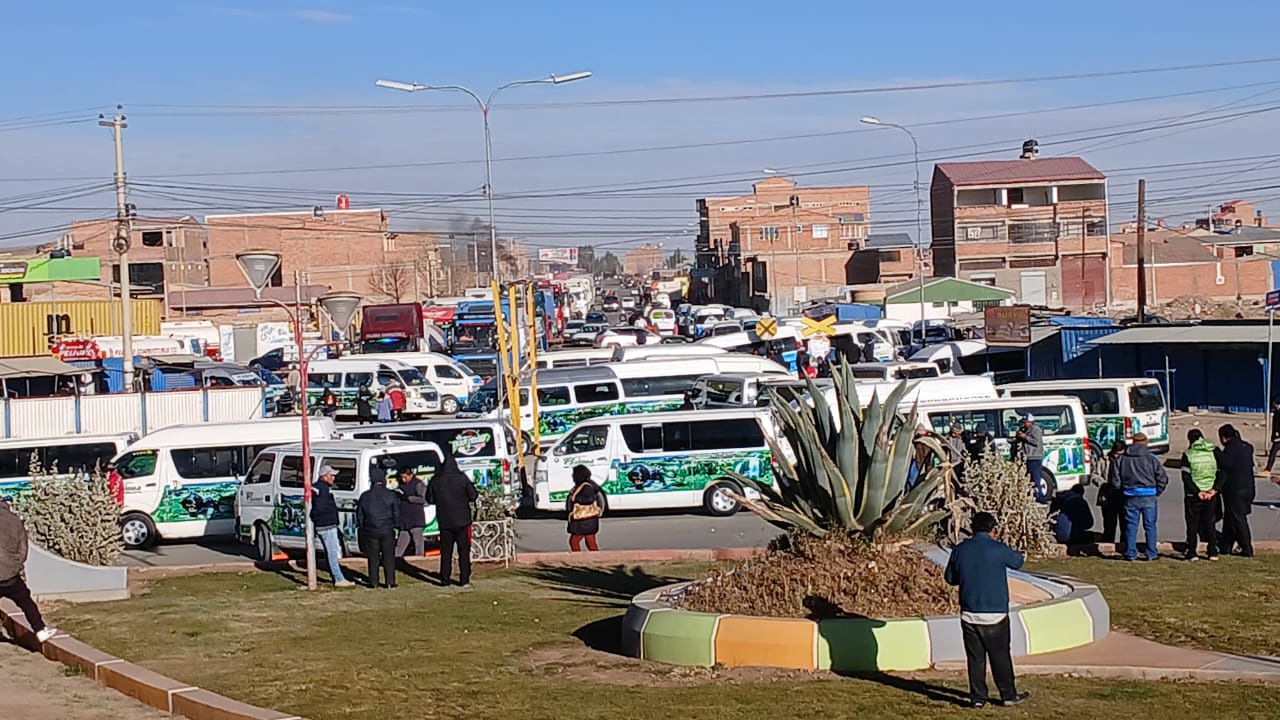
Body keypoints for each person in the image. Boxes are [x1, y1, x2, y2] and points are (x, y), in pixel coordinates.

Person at [944, 512, 1028, 709]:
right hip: (996, 614)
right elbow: (1018, 562)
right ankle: (1008, 694)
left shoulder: (960, 550)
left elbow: (950, 579)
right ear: (993, 530)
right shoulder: (998, 549)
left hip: (969, 613)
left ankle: (978, 698)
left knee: (975, 658)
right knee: (1000, 656)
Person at [0, 499, 57, 643]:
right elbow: (23, 549)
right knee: (26, 602)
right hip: (10, 574)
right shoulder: (15, 521)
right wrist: (16, 565)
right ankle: (40, 630)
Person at [1109, 432, 1168, 561]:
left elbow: (1115, 480)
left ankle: (1131, 553)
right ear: (1145, 442)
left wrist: (1122, 490)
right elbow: (1162, 477)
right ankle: (1151, 553)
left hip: (1130, 495)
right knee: (1150, 526)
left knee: (1131, 526)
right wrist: (1157, 491)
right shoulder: (1151, 458)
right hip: (1149, 495)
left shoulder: (1122, 459)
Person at [427, 455, 479, 586]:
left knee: (446, 552)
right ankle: (464, 579)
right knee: (464, 551)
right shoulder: (462, 478)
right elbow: (473, 495)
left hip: (445, 521)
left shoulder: (436, 479)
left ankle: (445, 579)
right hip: (463, 521)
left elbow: (429, 499)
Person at [355, 464, 400, 588]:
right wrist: (396, 525)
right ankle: (390, 582)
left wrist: (363, 526)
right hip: (387, 529)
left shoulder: (365, 496)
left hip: (370, 530)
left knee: (373, 557)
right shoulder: (391, 495)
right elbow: (396, 512)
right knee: (389, 557)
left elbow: (359, 514)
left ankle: (373, 582)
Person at [1216, 424, 1256, 557]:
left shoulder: (1231, 448)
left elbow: (1227, 463)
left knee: (1239, 519)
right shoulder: (1247, 447)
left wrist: (1216, 452)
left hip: (1236, 490)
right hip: (1249, 487)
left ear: (1223, 437)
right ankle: (1225, 545)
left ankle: (1246, 548)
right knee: (1230, 517)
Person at [311, 466, 354, 588]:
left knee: (331, 551)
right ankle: (338, 578)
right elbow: (320, 507)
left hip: (324, 524)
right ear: (325, 476)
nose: (334, 478)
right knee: (332, 552)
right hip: (327, 525)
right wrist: (319, 517)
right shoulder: (323, 489)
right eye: (332, 475)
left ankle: (336, 575)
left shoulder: (319, 487)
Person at [1180, 429, 1219, 561]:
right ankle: (1212, 551)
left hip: (1193, 495)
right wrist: (1214, 489)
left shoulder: (1188, 454)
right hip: (1210, 493)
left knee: (1192, 524)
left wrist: (1197, 492)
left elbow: (1186, 477)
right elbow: (1221, 472)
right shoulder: (1212, 452)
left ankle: (1192, 552)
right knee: (1210, 523)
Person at [1096, 440, 1129, 552]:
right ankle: (1107, 545)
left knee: (1125, 524)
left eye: (1119, 453)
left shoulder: (1127, 460)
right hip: (1107, 494)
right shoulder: (1104, 460)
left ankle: (1124, 545)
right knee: (1109, 524)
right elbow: (1095, 475)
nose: (1117, 456)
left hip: (1122, 494)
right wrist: (1103, 483)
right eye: (1115, 453)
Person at [394, 466, 428, 561]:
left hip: (416, 520)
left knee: (418, 544)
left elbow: (424, 499)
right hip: (404, 521)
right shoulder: (400, 485)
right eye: (402, 477)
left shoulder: (419, 484)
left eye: (405, 477)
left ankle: (419, 561)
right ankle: (395, 562)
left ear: (411, 475)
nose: (403, 479)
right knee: (400, 544)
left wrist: (409, 498)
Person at [566, 465, 602, 551]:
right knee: (590, 542)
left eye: (574, 474)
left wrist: (575, 499)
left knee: (574, 541)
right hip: (587, 521)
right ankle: (596, 560)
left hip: (584, 521)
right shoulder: (583, 485)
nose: (572, 476)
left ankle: (579, 559)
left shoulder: (586, 487)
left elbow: (589, 499)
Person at [1015, 414, 1048, 502]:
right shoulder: (1027, 430)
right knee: (1030, 479)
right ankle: (1033, 496)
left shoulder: (1036, 430)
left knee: (1036, 478)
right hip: (1029, 457)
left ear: (1030, 422)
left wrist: (1025, 437)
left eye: (1026, 422)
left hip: (1035, 457)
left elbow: (1036, 442)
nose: (1024, 424)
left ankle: (1040, 497)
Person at [1266, 397, 1280, 473]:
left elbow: (1277, 424)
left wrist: (1277, 433)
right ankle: (1268, 469)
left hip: (1278, 437)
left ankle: (1268, 469)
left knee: (1273, 452)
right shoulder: (1277, 411)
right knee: (1273, 452)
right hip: (1277, 436)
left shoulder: (1278, 412)